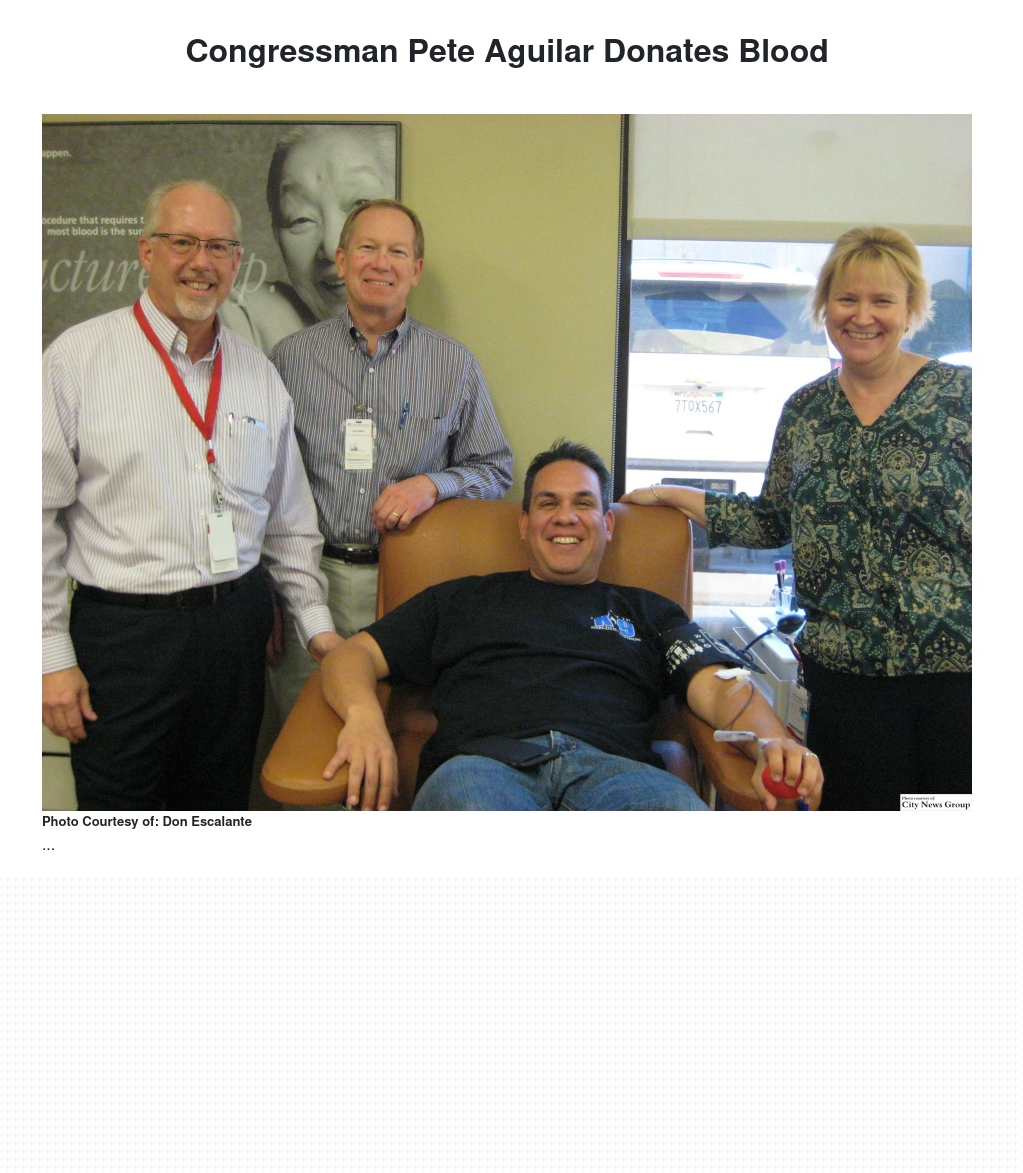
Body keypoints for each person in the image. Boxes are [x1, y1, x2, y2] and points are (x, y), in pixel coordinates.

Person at [623, 228, 971, 811]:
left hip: (959, 676)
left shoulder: (964, 398)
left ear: (911, 308)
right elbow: (769, 521)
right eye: (847, 298)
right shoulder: (806, 410)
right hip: (844, 680)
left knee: (954, 829)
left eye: (882, 300)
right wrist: (672, 494)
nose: (862, 316)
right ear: (825, 305)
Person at [317, 441, 823, 811]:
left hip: (618, 776)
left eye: (583, 503)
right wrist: (364, 718)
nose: (566, 517)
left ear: (607, 524)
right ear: (524, 524)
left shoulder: (649, 611)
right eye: (548, 503)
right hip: (483, 770)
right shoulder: (460, 599)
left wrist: (770, 741)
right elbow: (353, 656)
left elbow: (719, 685)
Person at [43, 180, 339, 810]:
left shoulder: (258, 374)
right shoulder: (77, 360)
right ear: (146, 251)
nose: (202, 262)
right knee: (119, 818)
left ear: (237, 261)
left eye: (219, 247)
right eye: (183, 242)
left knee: (217, 808)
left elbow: (288, 520)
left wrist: (315, 625)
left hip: (236, 631)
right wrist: (49, 655)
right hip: (125, 639)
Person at [267, 198, 513, 717]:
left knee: (404, 724)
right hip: (313, 581)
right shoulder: (290, 358)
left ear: (416, 270)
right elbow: (263, 481)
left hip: (414, 581)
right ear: (342, 260)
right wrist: (266, 589)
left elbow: (494, 469)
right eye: (368, 248)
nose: (382, 263)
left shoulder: (453, 364)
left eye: (397, 252)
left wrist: (432, 485)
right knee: (306, 728)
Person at [218, 124, 396, 351]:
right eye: (300, 219)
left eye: (360, 206)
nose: (332, 247)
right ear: (276, 235)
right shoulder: (245, 324)